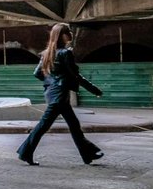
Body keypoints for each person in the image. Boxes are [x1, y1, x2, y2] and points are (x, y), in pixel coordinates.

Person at [16, 23, 104, 165]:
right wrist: (94, 90)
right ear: (61, 35)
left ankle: (88, 154)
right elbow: (76, 76)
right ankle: (25, 152)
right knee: (44, 126)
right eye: (68, 31)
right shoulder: (65, 53)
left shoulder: (46, 53)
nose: (71, 33)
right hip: (60, 96)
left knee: (73, 125)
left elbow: (37, 73)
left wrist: (51, 81)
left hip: (53, 95)